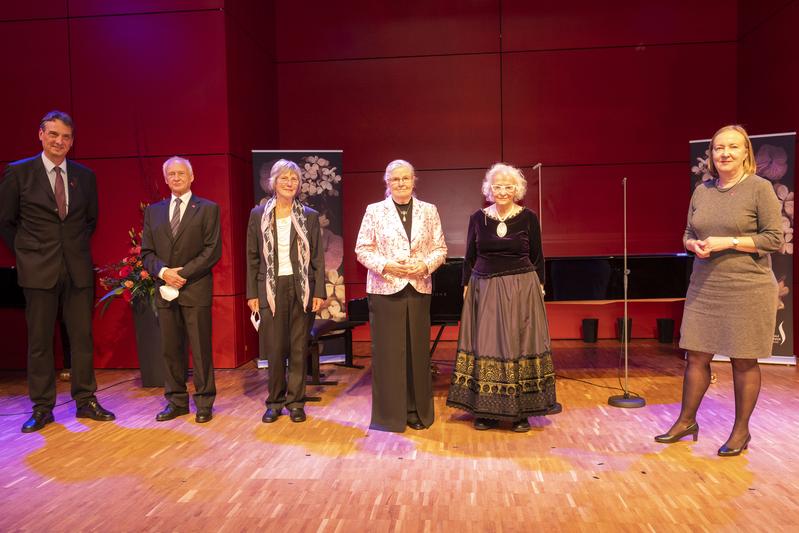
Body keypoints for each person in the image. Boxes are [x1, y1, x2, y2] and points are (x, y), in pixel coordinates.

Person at [655, 125, 782, 456]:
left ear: (745, 154)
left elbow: (773, 239)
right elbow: (686, 231)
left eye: (732, 148)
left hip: (747, 287)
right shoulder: (703, 190)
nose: (724, 153)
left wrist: (730, 242)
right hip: (705, 285)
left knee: (743, 359)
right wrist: (691, 244)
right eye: (718, 148)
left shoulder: (760, 188)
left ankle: (741, 432)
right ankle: (685, 421)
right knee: (696, 355)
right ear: (710, 154)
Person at [0, 110, 115, 433]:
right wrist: (27, 251)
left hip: (77, 269)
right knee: (39, 341)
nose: (59, 142)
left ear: (72, 141)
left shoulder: (85, 176)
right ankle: (42, 407)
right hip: (38, 270)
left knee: (82, 338)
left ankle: (86, 400)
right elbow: (5, 222)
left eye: (65, 137)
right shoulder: (18, 173)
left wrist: (71, 250)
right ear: (40, 134)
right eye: (53, 134)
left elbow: (90, 221)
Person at [446, 163, 557, 432]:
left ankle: (521, 412)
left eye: (508, 186)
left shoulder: (529, 217)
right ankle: (486, 411)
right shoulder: (478, 218)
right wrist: (465, 286)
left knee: (520, 345)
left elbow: (538, 256)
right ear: (489, 189)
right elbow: (469, 256)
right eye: (498, 186)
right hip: (484, 287)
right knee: (488, 346)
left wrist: (541, 285)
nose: (503, 191)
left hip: (522, 287)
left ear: (517, 189)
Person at [355, 159, 447, 432]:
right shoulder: (374, 211)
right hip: (385, 289)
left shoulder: (429, 211)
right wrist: (385, 265)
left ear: (414, 180)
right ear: (387, 183)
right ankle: (388, 417)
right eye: (395, 179)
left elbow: (440, 248)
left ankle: (417, 411)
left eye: (406, 178)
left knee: (417, 354)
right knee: (388, 355)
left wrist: (426, 265)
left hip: (418, 288)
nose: (401, 183)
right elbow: (362, 249)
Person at [141, 156, 222, 424]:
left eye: (181, 173)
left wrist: (182, 275)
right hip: (165, 290)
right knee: (170, 349)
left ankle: (204, 402)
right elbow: (147, 253)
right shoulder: (153, 212)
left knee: (200, 349)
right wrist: (164, 272)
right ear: (165, 179)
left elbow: (212, 250)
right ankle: (175, 401)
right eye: (171, 174)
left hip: (195, 288)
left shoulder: (208, 209)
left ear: (191, 177)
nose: (176, 178)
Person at [247, 159, 325, 424]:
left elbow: (317, 258)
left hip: (301, 286)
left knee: (298, 348)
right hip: (269, 288)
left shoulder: (309, 216)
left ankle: (296, 402)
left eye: (294, 179)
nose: (289, 183)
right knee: (275, 348)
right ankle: (275, 402)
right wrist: (252, 293)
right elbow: (252, 257)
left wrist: (319, 292)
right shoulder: (258, 214)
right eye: (284, 178)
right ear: (274, 183)